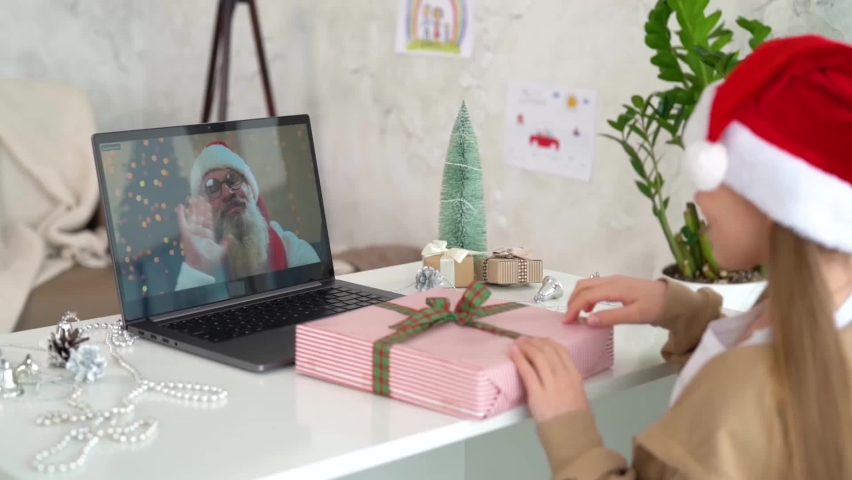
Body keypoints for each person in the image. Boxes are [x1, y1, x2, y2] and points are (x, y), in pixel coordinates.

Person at [510, 34, 852, 479]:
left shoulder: (740, 395)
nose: (699, 199)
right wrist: (682, 312)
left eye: (714, 174)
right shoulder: (825, 318)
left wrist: (572, 434)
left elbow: (734, 411)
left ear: (775, 199)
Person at [174, 141, 320, 291]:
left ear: (250, 189)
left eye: (233, 179)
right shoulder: (201, 270)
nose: (228, 193)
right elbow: (186, 304)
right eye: (212, 188)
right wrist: (197, 271)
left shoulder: (294, 252)